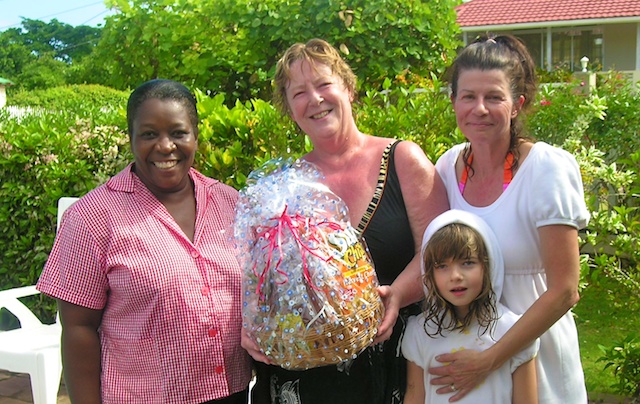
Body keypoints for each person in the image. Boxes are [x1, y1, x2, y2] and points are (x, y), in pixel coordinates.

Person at [242, 38, 449, 404]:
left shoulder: (403, 160)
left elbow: (438, 252)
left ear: (349, 89)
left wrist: (397, 295)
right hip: (310, 375)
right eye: (299, 93)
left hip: (394, 364)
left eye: (324, 84)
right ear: (290, 110)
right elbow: (264, 279)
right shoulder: (285, 187)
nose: (315, 99)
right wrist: (254, 323)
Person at [36, 79, 252, 404]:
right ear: (131, 137)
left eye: (178, 133)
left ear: (195, 135)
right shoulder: (92, 217)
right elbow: (79, 328)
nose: (165, 146)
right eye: (149, 134)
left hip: (232, 393)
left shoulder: (230, 203)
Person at [430, 34, 590, 402]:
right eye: (468, 96)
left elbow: (565, 290)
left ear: (517, 105)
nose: (479, 109)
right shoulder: (446, 168)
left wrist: (492, 358)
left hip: (537, 350)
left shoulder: (546, 168)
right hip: (470, 354)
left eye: (494, 97)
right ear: (453, 101)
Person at [402, 209, 538, 404]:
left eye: (467, 263)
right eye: (442, 266)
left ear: (488, 266)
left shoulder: (514, 329)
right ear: (429, 274)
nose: (455, 275)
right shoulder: (420, 332)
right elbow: (415, 397)